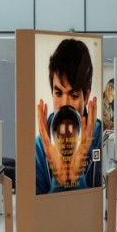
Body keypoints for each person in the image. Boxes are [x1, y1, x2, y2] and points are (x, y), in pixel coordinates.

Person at [35, 38, 102, 195]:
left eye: (73, 95)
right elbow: (40, 211)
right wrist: (58, 179)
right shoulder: (41, 145)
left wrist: (76, 175)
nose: (64, 104)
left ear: (86, 96)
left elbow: (96, 205)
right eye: (58, 93)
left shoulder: (98, 138)